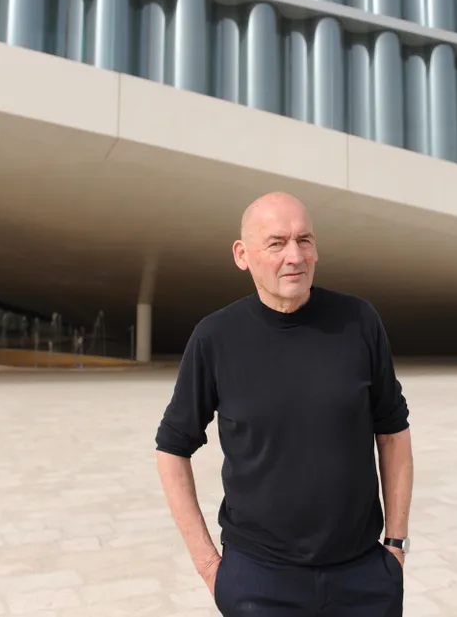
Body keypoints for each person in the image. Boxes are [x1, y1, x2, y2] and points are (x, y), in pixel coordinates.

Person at [155, 192, 414, 617]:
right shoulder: (215, 338)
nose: (294, 255)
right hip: (259, 582)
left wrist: (396, 546)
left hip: (364, 578)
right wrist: (209, 566)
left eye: (304, 240)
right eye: (276, 243)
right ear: (242, 254)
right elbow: (171, 450)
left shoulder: (359, 321)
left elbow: (392, 433)